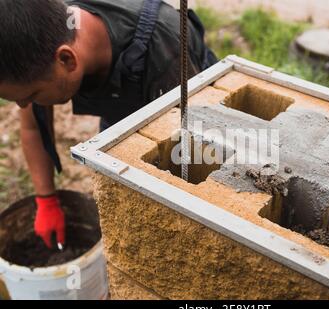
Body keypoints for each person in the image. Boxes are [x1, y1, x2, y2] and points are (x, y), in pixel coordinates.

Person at [0, 0, 217, 249]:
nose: (21, 106)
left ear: (67, 61)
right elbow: (33, 128)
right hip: (122, 101)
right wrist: (46, 200)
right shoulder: (47, 42)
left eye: (29, 96)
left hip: (189, 108)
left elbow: (194, 151)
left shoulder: (164, 51)